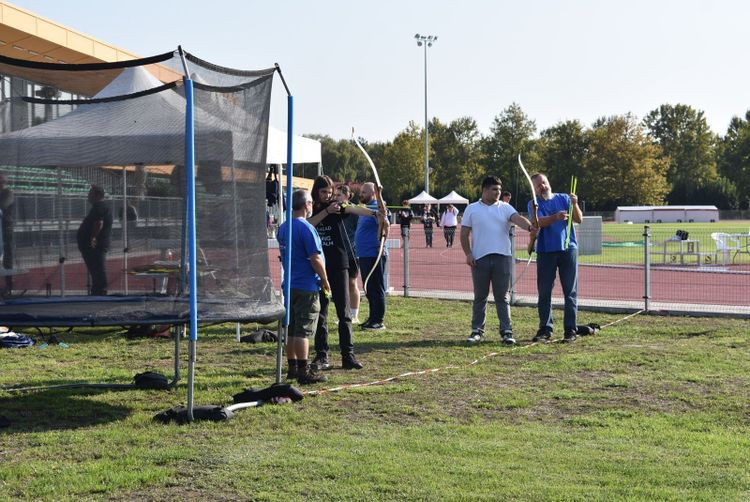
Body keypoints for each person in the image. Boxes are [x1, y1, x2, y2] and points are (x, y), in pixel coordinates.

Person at [308, 176, 378, 370]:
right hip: (318, 267)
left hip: (339, 264)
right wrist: (326, 212)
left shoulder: (338, 206)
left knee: (344, 312)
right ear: (316, 192)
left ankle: (348, 355)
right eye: (323, 192)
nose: (327, 196)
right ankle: (322, 356)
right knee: (321, 313)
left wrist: (375, 213)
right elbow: (308, 224)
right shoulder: (311, 208)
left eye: (330, 192)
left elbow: (355, 208)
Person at [460, 176, 536, 345]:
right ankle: (477, 331)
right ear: (484, 190)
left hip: (502, 257)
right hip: (479, 259)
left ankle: (507, 332)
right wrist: (468, 254)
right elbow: (464, 234)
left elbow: (517, 219)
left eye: (499, 190)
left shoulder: (505, 207)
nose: (498, 192)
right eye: (494, 189)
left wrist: (530, 227)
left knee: (502, 297)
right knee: (480, 296)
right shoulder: (472, 209)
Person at [277, 189, 331, 384]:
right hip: (306, 285)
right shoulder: (306, 228)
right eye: (311, 203)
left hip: (289, 284)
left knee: (291, 329)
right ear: (306, 205)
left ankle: (292, 368)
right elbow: (315, 258)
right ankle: (303, 370)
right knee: (303, 330)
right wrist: (325, 279)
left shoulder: (283, 227)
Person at [528, 173, 583, 343]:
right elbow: (537, 223)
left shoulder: (565, 198)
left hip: (568, 250)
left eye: (543, 183)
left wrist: (574, 204)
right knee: (544, 291)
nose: (542, 186)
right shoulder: (533, 204)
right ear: (534, 189)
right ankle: (545, 328)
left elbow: (579, 219)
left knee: (570, 292)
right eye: (538, 185)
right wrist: (555, 217)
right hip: (545, 252)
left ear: (548, 182)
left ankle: (570, 330)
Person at [355, 182, 390, 330]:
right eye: (361, 192)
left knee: (376, 287)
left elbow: (384, 222)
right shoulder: (366, 208)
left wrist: (380, 195)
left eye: (364, 192)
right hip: (364, 254)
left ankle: (378, 320)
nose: (361, 194)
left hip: (374, 253)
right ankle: (372, 317)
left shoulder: (377, 206)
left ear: (373, 194)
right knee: (369, 288)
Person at [77, 185, 113, 296]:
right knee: (95, 268)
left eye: (90, 193)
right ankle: (98, 289)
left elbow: (99, 223)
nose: (88, 195)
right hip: (92, 246)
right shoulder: (97, 207)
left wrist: (93, 237)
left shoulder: (100, 207)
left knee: (98, 267)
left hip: (96, 245)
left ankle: (100, 290)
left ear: (97, 195)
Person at [336, 184, 361, 324]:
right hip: (338, 252)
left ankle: (354, 315)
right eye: (335, 195)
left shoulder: (354, 211)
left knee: (352, 283)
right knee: (340, 285)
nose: (336, 198)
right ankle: (343, 314)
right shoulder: (334, 210)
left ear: (347, 196)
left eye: (339, 195)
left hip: (351, 252)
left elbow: (361, 228)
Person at [0, 173, 14, 294]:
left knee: (7, 256)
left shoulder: (8, 193)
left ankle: (9, 286)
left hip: (6, 227)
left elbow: (3, 205)